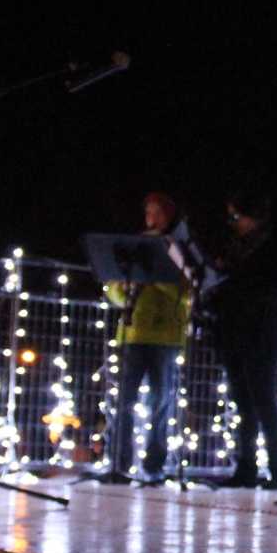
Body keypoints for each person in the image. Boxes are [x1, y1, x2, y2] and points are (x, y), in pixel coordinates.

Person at [98, 191, 193, 484]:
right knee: (124, 401)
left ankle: (154, 465)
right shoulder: (134, 245)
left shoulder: (177, 247)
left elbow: (187, 291)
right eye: (149, 212)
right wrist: (123, 288)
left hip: (165, 337)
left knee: (161, 403)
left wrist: (156, 277)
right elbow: (113, 290)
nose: (152, 218)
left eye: (158, 212)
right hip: (132, 333)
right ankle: (119, 464)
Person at [207, 186, 277, 489]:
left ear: (254, 216)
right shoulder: (237, 247)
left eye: (237, 216)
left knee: (264, 402)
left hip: (262, 334)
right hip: (234, 332)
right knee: (244, 404)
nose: (233, 222)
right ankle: (246, 468)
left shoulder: (274, 248)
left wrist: (235, 287)